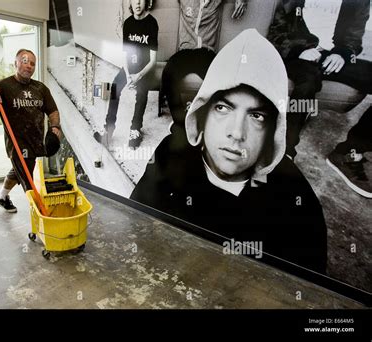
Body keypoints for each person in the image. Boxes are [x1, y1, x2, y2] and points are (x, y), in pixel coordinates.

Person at [131, 29, 327, 273]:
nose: (236, 132)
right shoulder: (169, 157)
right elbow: (133, 232)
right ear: (203, 113)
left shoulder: (297, 206)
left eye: (256, 116)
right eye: (223, 108)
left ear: (273, 129)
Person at [267, 0, 371, 197]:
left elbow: (352, 39)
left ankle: (348, 152)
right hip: (299, 53)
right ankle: (285, 152)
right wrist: (299, 51)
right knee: (307, 82)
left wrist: (343, 53)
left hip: (333, 57)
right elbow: (278, 28)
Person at [0, 49, 62, 213]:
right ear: (15, 63)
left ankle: (1, 196)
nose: (29, 65)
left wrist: (55, 127)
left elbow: (53, 111)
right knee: (27, 177)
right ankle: (40, 212)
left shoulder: (41, 88)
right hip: (17, 142)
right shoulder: (3, 86)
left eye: (32, 63)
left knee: (18, 170)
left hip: (36, 141)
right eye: (25, 61)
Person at [160, 0, 247, 134]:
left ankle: (206, 122)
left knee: (222, 81)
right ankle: (180, 123)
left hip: (206, 53)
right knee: (168, 73)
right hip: (185, 52)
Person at [93, 0, 159, 149]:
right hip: (129, 68)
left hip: (145, 69)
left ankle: (135, 130)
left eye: (141, 0)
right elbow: (124, 54)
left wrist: (139, 76)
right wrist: (128, 74)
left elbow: (153, 61)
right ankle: (108, 131)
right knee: (115, 88)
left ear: (147, 3)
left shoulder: (152, 23)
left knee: (142, 94)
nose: (137, 3)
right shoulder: (128, 23)